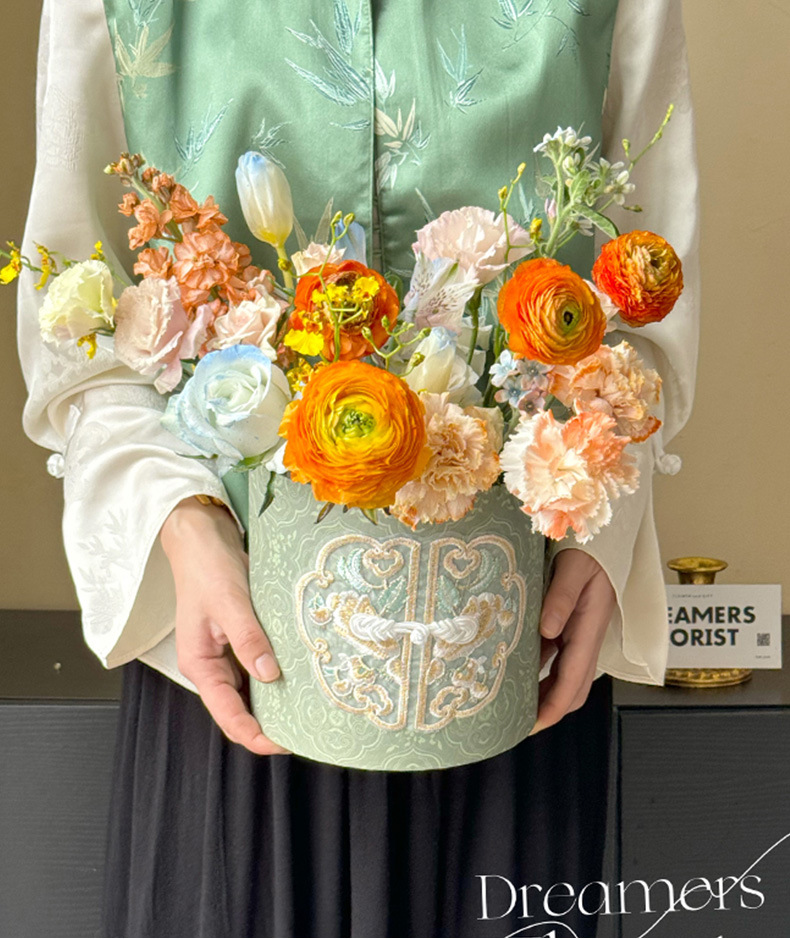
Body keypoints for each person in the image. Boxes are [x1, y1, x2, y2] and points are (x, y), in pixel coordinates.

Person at [17, 0, 699, 935]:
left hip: (513, 657)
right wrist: (178, 518)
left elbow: (652, 283)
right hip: (230, 665)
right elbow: (74, 313)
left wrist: (605, 530)